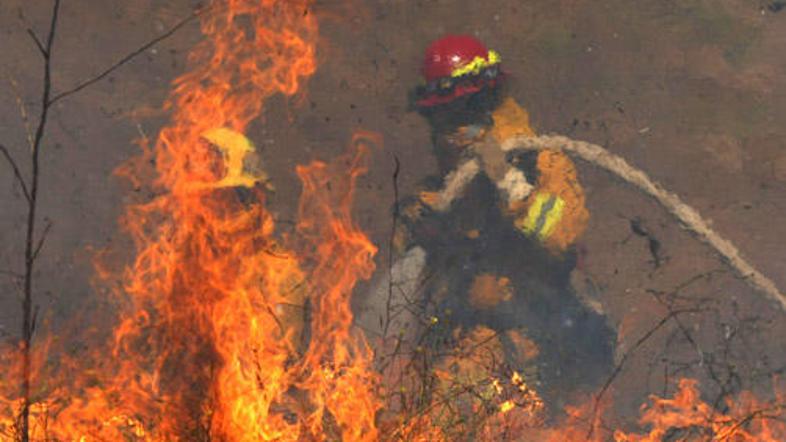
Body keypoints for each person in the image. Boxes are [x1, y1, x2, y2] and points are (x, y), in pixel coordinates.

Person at [363, 35, 617, 430]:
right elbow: (409, 290)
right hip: (472, 350)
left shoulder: (542, 164)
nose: (450, 132)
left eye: (460, 114)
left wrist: (507, 181)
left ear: (487, 106)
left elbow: (558, 232)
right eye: (440, 120)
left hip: (545, 342)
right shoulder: (439, 195)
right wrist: (426, 227)